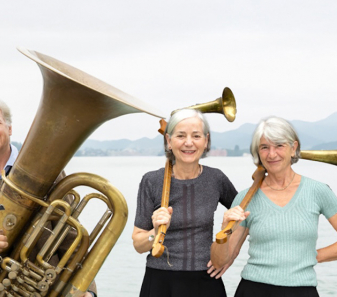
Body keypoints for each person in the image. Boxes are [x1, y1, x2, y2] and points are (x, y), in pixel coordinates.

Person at [0, 95, 97, 297]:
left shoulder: (47, 171)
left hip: (45, 290)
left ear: (9, 128)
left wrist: (86, 291)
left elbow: (72, 238)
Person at [210, 116, 337, 297]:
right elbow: (219, 261)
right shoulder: (246, 198)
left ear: (293, 148)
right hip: (253, 290)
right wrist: (224, 229)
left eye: (279, 146)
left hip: (302, 290)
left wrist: (312, 256)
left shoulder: (318, 191)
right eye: (264, 147)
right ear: (258, 153)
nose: (271, 154)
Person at [132, 108, 237, 297]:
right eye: (181, 136)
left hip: (206, 281)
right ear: (168, 141)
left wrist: (229, 254)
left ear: (206, 141)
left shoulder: (216, 179)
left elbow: (244, 215)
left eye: (196, 136)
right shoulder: (151, 181)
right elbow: (138, 245)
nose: (189, 143)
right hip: (160, 283)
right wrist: (155, 232)